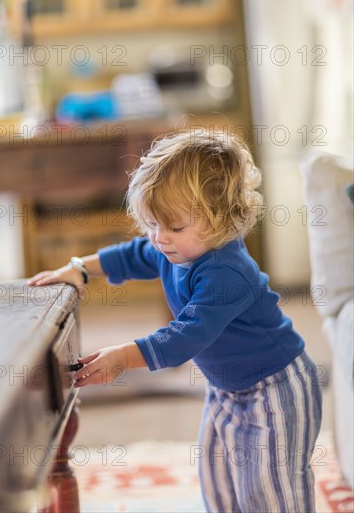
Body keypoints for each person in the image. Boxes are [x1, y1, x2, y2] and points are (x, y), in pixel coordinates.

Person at [28, 131, 322, 513]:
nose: (159, 238)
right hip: (228, 389)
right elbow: (133, 254)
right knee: (219, 481)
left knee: (270, 491)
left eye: (174, 228)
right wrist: (80, 268)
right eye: (152, 223)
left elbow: (186, 336)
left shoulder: (227, 273)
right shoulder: (174, 249)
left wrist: (125, 356)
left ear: (221, 219)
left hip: (276, 391)